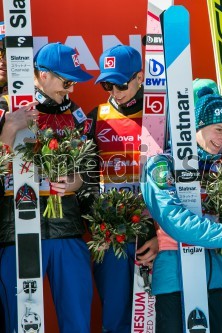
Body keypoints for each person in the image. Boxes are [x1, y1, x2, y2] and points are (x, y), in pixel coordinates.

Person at [0, 42, 95, 332]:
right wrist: (8, 130)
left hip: (66, 230)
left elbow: (88, 173)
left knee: (78, 323)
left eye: (75, 82)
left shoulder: (77, 115)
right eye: (66, 81)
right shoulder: (6, 107)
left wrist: (74, 183)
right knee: (21, 324)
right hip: (17, 235)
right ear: (42, 75)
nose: (71, 90)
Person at [141, 86, 222, 333]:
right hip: (174, 279)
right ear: (196, 125)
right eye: (218, 129)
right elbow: (174, 220)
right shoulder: (162, 163)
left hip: (214, 278)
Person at [88, 44, 158, 333]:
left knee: (152, 321)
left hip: (150, 235)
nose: (114, 90)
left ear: (140, 77)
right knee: (115, 320)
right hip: (111, 235)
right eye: (107, 83)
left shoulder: (157, 117)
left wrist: (157, 234)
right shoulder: (95, 116)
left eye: (120, 83)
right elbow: (86, 181)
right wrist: (95, 227)